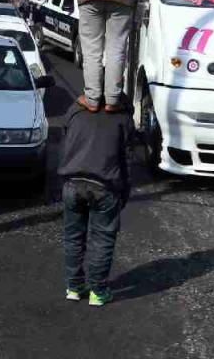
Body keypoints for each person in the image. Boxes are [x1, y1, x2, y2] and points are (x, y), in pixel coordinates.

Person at [58, 99, 134, 307]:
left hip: (72, 182)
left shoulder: (75, 110)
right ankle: (98, 291)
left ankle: (74, 287)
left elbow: (64, 146)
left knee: (73, 237)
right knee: (101, 239)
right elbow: (126, 159)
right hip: (105, 185)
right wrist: (124, 192)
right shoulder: (122, 117)